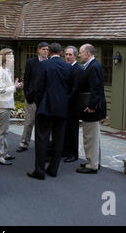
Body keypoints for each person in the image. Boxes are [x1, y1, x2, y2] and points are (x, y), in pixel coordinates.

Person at [27, 43, 72, 180]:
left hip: (46, 107)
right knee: (58, 140)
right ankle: (53, 169)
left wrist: (39, 103)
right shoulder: (68, 67)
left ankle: (39, 171)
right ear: (61, 52)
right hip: (62, 108)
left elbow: (38, 88)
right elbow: (70, 88)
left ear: (50, 52)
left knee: (42, 139)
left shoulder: (44, 65)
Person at [76, 43, 107, 174]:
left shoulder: (93, 67)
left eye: (81, 52)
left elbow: (96, 89)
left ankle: (91, 165)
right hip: (92, 107)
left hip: (92, 109)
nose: (79, 55)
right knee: (93, 137)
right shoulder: (92, 66)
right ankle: (94, 161)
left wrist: (91, 106)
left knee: (90, 137)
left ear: (88, 53)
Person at [17, 42, 49, 152]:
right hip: (31, 98)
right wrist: (27, 94)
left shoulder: (50, 63)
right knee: (29, 123)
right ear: (39, 50)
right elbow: (26, 79)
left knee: (43, 124)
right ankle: (24, 143)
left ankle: (43, 145)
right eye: (44, 49)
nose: (46, 51)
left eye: (47, 49)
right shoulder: (31, 62)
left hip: (44, 99)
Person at [0, 48, 23, 165]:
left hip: (6, 103)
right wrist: (15, 87)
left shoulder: (6, 70)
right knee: (1, 131)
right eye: (12, 57)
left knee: (4, 131)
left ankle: (4, 153)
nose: (14, 59)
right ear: (6, 59)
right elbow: (0, 90)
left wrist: (14, 85)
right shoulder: (1, 72)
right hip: (2, 105)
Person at [63, 46, 84, 163]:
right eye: (66, 54)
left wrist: (65, 101)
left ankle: (73, 154)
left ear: (75, 56)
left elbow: (75, 89)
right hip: (65, 105)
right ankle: (65, 151)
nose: (68, 57)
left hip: (73, 106)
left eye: (70, 55)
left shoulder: (78, 70)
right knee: (65, 130)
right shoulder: (65, 68)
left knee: (72, 131)